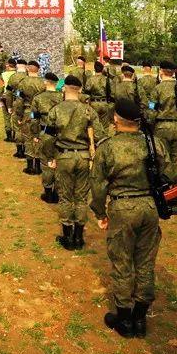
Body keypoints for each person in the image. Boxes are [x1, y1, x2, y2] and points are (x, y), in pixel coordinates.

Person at [90, 99, 176, 338]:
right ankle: (140, 317)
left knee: (122, 261)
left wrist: (99, 212)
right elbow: (169, 173)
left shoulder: (108, 147)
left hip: (122, 207)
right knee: (145, 262)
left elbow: (98, 184)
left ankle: (125, 319)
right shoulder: (154, 144)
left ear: (115, 119)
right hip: (149, 207)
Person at [46, 75, 107, 250]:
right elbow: (101, 136)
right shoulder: (89, 110)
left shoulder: (56, 110)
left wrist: (50, 157)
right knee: (81, 198)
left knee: (65, 197)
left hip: (64, 156)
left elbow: (47, 138)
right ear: (80, 90)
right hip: (83, 157)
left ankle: (67, 237)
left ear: (64, 88)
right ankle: (79, 237)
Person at [147, 61, 177, 188]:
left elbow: (151, 111)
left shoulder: (157, 89)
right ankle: (175, 192)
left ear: (161, 71)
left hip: (161, 128)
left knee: (162, 160)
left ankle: (164, 190)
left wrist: (149, 126)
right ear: (174, 72)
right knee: (176, 161)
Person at [31, 72, 64, 202]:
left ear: (46, 82)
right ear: (56, 84)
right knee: (59, 161)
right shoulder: (63, 97)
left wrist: (35, 134)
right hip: (61, 134)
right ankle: (58, 190)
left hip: (45, 133)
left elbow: (34, 119)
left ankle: (48, 192)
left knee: (46, 162)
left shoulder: (38, 98)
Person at [15, 61, 46, 174]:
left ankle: (30, 166)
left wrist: (19, 115)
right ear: (38, 70)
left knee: (28, 138)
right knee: (38, 137)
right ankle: (38, 166)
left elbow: (19, 101)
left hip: (27, 112)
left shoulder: (23, 83)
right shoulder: (44, 83)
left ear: (28, 69)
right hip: (41, 113)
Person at [5, 60, 30, 158]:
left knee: (17, 127)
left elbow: (8, 93)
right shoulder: (29, 77)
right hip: (29, 106)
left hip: (17, 104)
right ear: (26, 66)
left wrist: (9, 106)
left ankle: (20, 150)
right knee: (27, 128)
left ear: (17, 66)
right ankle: (28, 150)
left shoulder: (13, 77)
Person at [82, 61, 115, 133]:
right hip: (105, 103)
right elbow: (112, 93)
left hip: (93, 104)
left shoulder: (90, 79)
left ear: (94, 69)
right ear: (102, 69)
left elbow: (86, 92)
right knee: (105, 126)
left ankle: (95, 141)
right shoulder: (107, 79)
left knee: (94, 124)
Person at [0, 58, 17, 142]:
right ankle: (16, 135)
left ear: (8, 65)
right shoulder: (18, 75)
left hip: (5, 97)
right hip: (16, 97)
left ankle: (9, 136)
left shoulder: (3, 75)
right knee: (16, 116)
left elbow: (0, 88)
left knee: (7, 117)